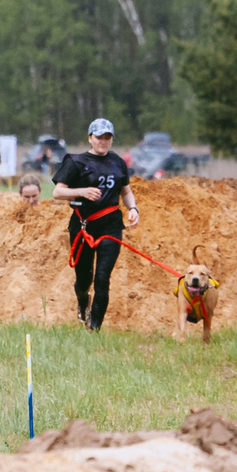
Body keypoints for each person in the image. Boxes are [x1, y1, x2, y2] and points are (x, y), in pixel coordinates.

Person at [53, 117, 138, 330]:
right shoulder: (75, 162)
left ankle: (94, 328)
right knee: (84, 278)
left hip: (111, 225)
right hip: (83, 225)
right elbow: (58, 192)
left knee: (102, 277)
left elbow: (126, 191)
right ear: (90, 138)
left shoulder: (118, 162)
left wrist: (133, 208)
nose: (103, 141)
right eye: (99, 137)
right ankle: (83, 301)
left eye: (107, 137)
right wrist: (82, 191)